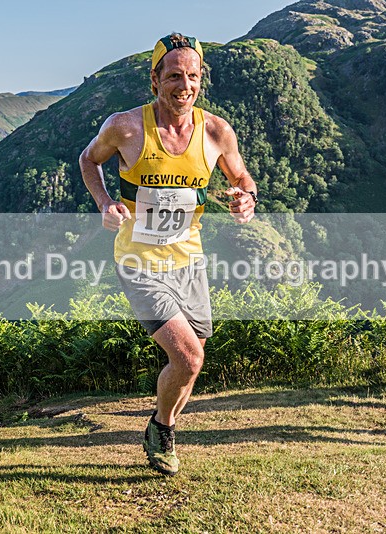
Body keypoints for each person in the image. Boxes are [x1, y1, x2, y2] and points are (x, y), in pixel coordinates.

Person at [80, 33, 258, 475]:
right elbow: (89, 159)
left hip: (190, 263)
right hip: (139, 262)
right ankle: (164, 432)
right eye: (175, 75)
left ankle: (161, 426)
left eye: (193, 76)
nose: (185, 85)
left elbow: (243, 178)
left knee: (190, 363)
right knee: (189, 358)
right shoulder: (126, 126)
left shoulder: (216, 131)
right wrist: (105, 204)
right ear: (155, 79)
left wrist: (246, 200)